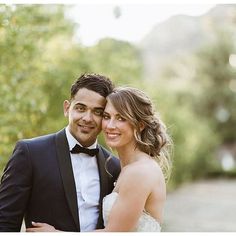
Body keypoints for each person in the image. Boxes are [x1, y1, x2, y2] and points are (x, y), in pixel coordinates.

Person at [26, 86, 172, 232]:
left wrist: (56, 234)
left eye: (121, 118)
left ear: (140, 125)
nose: (110, 125)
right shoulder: (123, 167)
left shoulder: (139, 172)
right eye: (107, 116)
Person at [0, 73, 120, 232]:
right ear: (67, 108)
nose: (87, 118)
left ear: (106, 117)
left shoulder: (114, 166)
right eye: (80, 108)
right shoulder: (30, 153)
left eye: (97, 112)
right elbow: (5, 222)